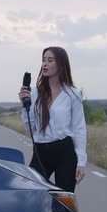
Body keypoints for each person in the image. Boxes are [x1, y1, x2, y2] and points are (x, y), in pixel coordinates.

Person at [18, 46, 87, 193]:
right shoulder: (35, 93)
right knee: (31, 194)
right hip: (40, 150)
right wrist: (25, 105)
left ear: (61, 64)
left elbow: (79, 128)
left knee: (64, 200)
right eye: (43, 60)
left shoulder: (73, 94)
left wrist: (81, 161)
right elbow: (30, 127)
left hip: (64, 151)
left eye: (50, 60)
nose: (45, 64)